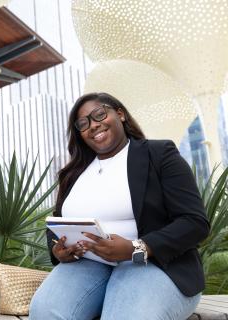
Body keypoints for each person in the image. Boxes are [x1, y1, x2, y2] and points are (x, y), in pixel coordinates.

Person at [29, 92, 210, 320]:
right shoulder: (73, 174)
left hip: (152, 265)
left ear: (120, 114)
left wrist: (137, 248)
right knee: (45, 313)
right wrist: (60, 250)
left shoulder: (159, 154)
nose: (93, 126)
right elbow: (56, 224)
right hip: (87, 264)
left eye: (99, 115)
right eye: (83, 124)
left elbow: (195, 222)